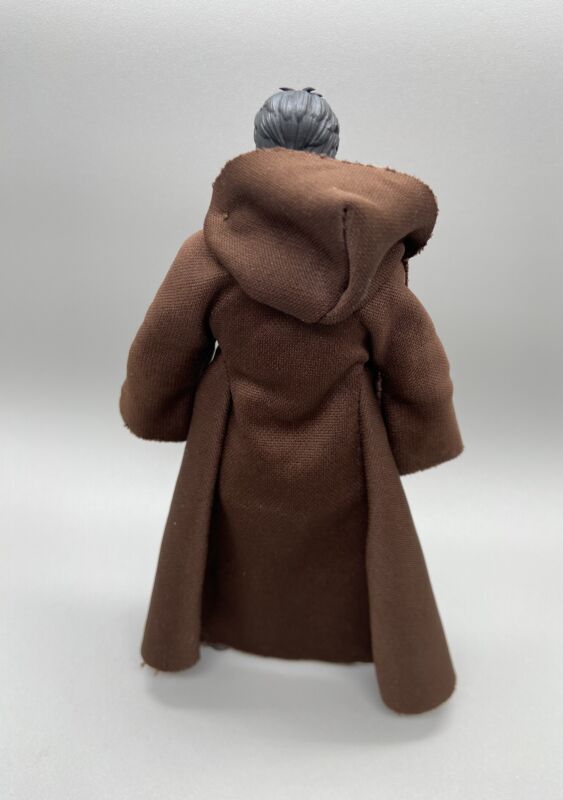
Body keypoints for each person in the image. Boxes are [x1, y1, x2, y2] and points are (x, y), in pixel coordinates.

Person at [119, 86, 464, 714]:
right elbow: (417, 359)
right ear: (332, 150)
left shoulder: (211, 248)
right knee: (351, 544)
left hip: (234, 430)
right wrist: (420, 433)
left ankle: (219, 621)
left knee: (227, 534)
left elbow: (161, 343)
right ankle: (356, 639)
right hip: (345, 437)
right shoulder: (374, 262)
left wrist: (157, 409)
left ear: (259, 148)